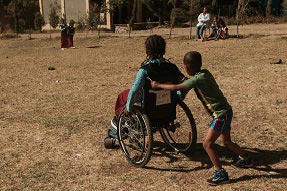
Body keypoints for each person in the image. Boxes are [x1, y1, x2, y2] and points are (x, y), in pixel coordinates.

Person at [151, 51, 252, 186]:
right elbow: (187, 85)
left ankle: (220, 173)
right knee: (227, 142)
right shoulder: (205, 73)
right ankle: (244, 158)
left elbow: (176, 87)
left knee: (207, 144)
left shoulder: (197, 79)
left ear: (187, 67)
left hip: (220, 115)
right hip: (227, 111)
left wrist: (157, 85)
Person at [110, 35, 187, 131]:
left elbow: (135, 90)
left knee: (123, 96)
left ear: (147, 51)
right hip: (168, 105)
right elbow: (185, 82)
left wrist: (129, 108)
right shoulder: (172, 67)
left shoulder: (145, 70)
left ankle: (122, 121)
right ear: (164, 51)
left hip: (150, 106)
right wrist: (178, 97)